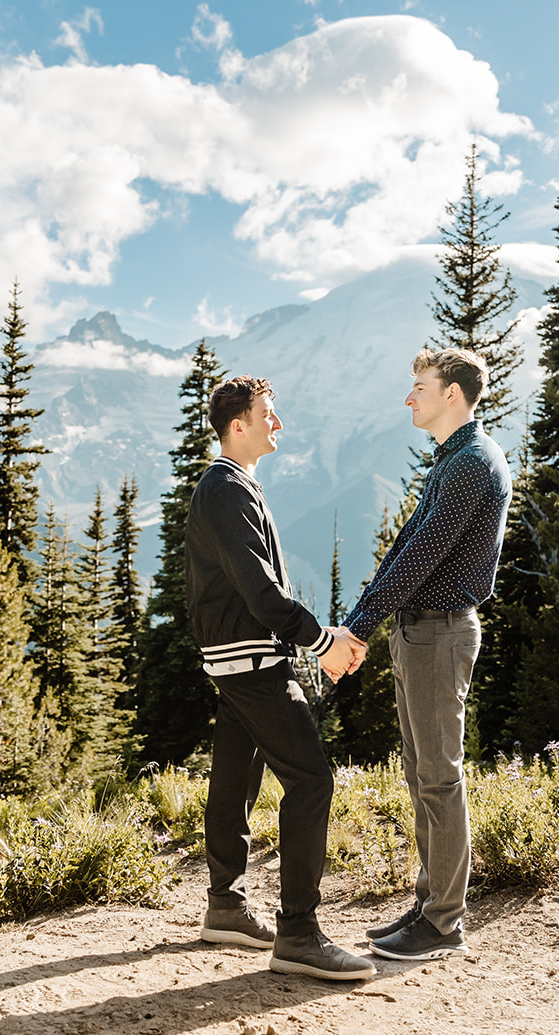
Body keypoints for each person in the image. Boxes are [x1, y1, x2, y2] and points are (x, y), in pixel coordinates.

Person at [186, 374, 375, 981]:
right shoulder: (226, 491)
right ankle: (298, 933)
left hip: (235, 661)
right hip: (252, 663)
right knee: (312, 779)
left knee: (236, 776)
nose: (278, 422)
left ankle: (226, 905)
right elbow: (261, 593)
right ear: (237, 424)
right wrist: (324, 643)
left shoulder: (232, 486)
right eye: (268, 413)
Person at [343, 348, 511, 962]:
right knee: (422, 775)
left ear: (454, 395)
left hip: (440, 634)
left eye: (420, 386)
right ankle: (430, 903)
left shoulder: (470, 464)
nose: (409, 398)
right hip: (420, 633)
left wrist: (357, 626)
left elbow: (421, 559)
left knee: (439, 777)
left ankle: (443, 924)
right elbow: (407, 547)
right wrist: (364, 620)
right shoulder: (454, 460)